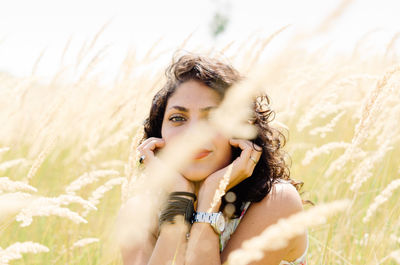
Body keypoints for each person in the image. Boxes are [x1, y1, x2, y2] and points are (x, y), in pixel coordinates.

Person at [118, 53, 308, 265]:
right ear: (159, 135)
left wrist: (211, 196)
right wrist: (179, 203)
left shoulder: (276, 201)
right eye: (178, 118)